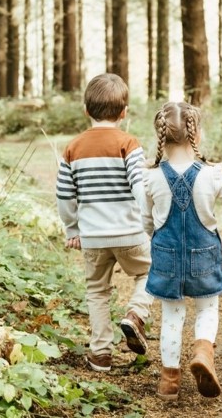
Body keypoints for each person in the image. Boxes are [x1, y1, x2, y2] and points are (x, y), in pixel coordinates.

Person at [142, 101, 222, 401]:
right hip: (204, 255)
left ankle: (169, 380)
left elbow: (145, 221)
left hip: (167, 256)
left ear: (161, 136)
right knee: (207, 309)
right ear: (197, 134)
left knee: (171, 316)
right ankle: (203, 352)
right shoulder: (212, 175)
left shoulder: (152, 177)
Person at [56, 73, 152, 373]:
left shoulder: (73, 148)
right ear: (124, 112)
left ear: (86, 109)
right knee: (153, 270)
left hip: (93, 238)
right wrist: (149, 221)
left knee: (97, 291)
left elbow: (64, 195)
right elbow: (140, 186)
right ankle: (136, 314)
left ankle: (100, 354)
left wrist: (73, 229)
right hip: (130, 233)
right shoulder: (129, 143)